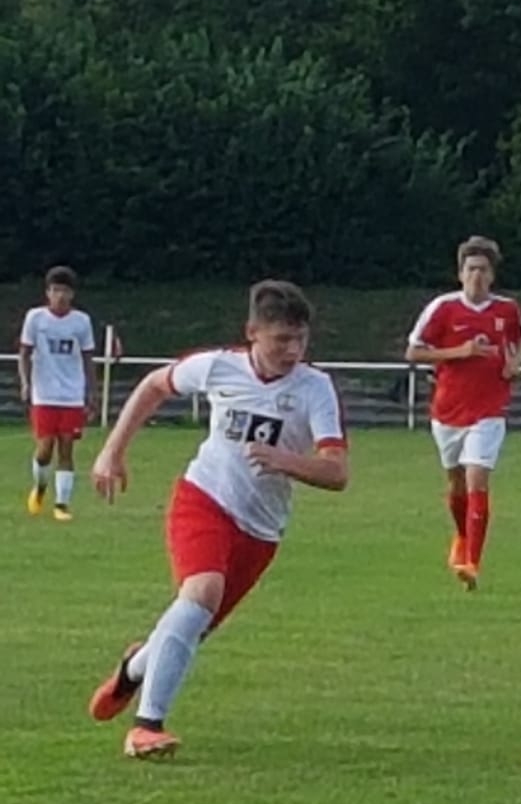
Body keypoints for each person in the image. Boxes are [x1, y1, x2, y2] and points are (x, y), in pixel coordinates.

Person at [86, 281, 349, 759]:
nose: (293, 351)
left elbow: (337, 473)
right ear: (252, 333)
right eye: (281, 339)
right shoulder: (218, 367)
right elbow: (153, 385)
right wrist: (112, 451)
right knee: (201, 592)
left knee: (190, 627)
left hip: (261, 530)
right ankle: (146, 727)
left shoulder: (315, 388)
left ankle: (132, 669)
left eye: (300, 339)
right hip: (203, 498)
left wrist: (286, 461)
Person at [405, 236, 521, 590]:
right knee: (456, 482)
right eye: (471, 269)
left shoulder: (507, 309)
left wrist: (514, 363)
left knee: (477, 478)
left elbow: (520, 337)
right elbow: (413, 352)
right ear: (460, 274)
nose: (477, 275)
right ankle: (461, 536)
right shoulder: (443, 308)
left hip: (489, 410)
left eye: (483, 270)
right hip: (448, 411)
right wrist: (461, 351)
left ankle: (472, 561)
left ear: (492, 275)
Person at [19, 265, 97, 521]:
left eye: (64, 291)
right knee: (44, 449)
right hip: (44, 393)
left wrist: (91, 393)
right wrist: (26, 383)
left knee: (66, 448)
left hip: (71, 395)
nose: (60, 296)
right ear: (48, 293)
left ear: (72, 294)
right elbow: (25, 353)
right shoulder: (35, 318)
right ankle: (40, 486)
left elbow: (87, 359)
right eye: (55, 290)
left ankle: (62, 504)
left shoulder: (81, 321)